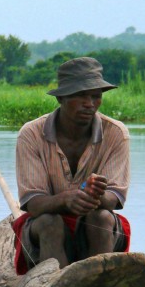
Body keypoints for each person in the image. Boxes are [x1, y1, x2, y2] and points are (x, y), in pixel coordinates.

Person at [12, 57, 130, 274]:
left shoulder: (116, 133)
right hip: (45, 227)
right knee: (50, 222)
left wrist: (96, 194)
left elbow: (114, 199)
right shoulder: (31, 134)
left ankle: (97, 281)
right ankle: (55, 285)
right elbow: (33, 204)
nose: (90, 103)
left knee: (102, 218)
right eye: (80, 96)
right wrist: (66, 199)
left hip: (97, 226)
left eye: (96, 96)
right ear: (61, 99)